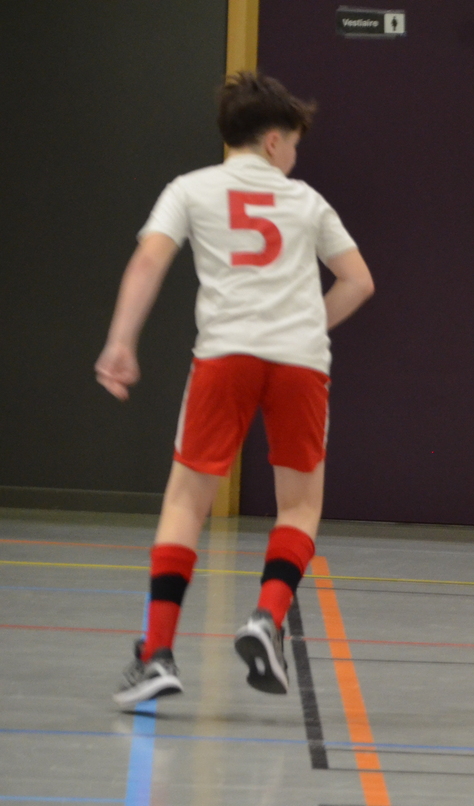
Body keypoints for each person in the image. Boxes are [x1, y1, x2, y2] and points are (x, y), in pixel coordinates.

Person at [95, 72, 374, 706]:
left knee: (186, 502)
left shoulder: (190, 189)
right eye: (295, 143)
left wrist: (121, 342)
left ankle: (157, 653)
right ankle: (267, 619)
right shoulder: (307, 201)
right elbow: (359, 281)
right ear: (274, 141)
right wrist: (304, 323)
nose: (295, 156)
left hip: (226, 357)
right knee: (299, 506)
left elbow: (149, 259)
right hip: (300, 363)